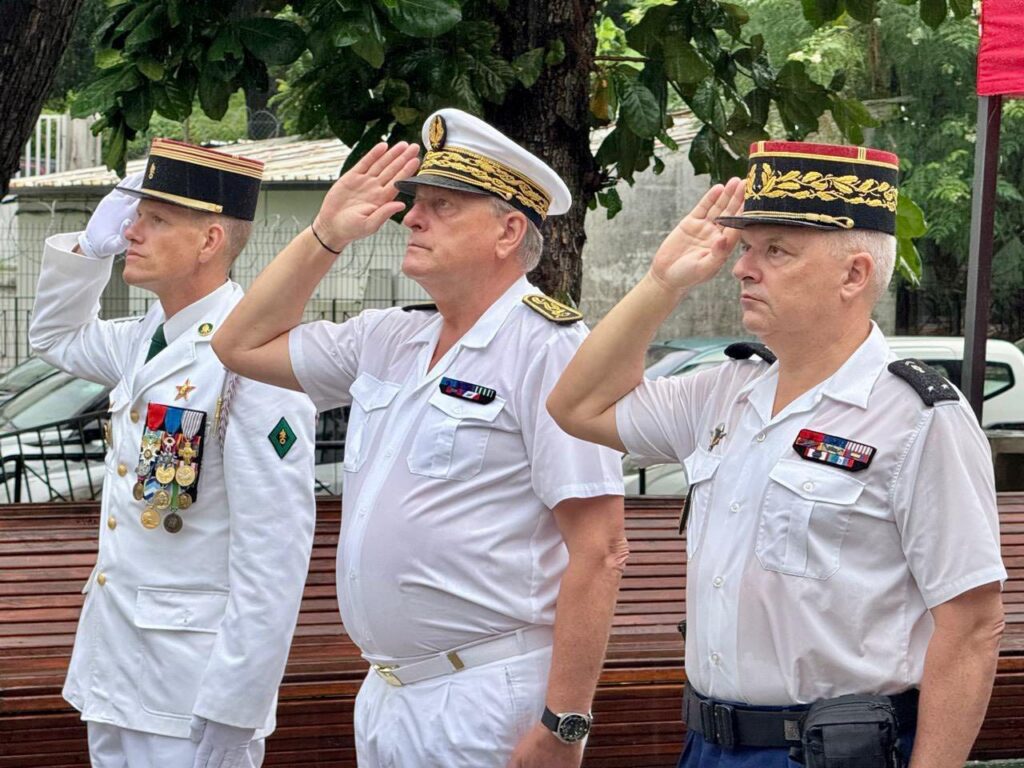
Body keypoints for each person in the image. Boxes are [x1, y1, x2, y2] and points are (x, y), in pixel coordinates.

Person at [547, 140, 1006, 768]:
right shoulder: (726, 391)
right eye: (746, 248)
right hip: (708, 744)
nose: (742, 268)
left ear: (854, 275)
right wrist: (661, 283)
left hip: (836, 752)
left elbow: (972, 625)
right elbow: (576, 408)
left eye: (776, 251)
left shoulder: (919, 417)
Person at [211, 109, 626, 768]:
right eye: (417, 203)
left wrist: (565, 723)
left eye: (441, 206)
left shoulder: (548, 349)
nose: (411, 218)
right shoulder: (391, 337)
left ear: (508, 230)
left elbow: (599, 548)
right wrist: (326, 234)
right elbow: (238, 344)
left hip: (487, 695)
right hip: (389, 692)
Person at [29, 138, 317, 768]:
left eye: (156, 219)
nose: (132, 231)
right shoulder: (142, 340)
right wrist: (85, 251)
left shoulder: (252, 363)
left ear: (210, 241)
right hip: (115, 671)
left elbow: (274, 553)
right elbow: (53, 335)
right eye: (137, 216)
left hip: (193, 690)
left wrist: (238, 704)